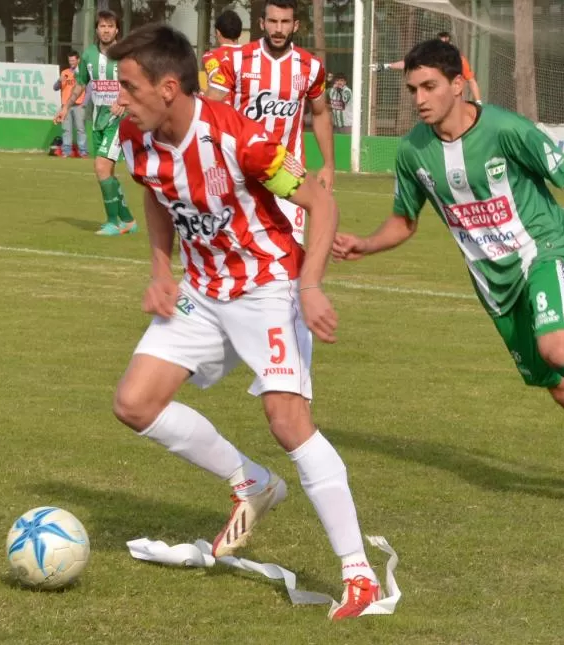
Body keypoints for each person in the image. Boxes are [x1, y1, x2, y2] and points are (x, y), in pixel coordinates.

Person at [109, 23, 382, 619]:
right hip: (204, 290)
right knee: (134, 403)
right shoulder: (137, 135)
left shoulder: (240, 139)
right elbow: (155, 193)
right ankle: (252, 482)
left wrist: (310, 286)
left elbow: (320, 202)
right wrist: (161, 267)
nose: (119, 98)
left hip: (268, 286)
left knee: (288, 421)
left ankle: (359, 574)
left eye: (129, 86)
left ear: (169, 87)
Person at [333, 39, 564, 506]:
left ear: (458, 85)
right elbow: (405, 220)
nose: (419, 98)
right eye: (413, 88)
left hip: (542, 247)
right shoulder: (413, 151)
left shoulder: (505, 129)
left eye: (430, 86)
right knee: (558, 388)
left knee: (557, 348)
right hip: (492, 280)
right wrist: (367, 243)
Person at [206, 0, 334, 245]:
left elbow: (320, 113)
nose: (278, 28)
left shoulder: (311, 67)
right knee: (239, 254)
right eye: (273, 21)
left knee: (292, 251)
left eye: (285, 22)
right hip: (241, 173)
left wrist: (328, 164)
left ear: (295, 25)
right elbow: (209, 108)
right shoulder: (237, 60)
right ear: (262, 23)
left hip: (289, 171)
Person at [54, 10, 136, 236]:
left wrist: (124, 100)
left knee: (100, 167)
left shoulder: (126, 54)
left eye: (110, 26)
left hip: (119, 120)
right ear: (97, 29)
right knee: (106, 171)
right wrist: (66, 106)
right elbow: (80, 84)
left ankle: (113, 222)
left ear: (117, 29)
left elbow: (136, 83)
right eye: (102, 26)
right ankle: (128, 220)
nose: (106, 30)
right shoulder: (89, 55)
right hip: (98, 119)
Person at [373, 31, 482, 105]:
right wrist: (386, 66)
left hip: (452, 104)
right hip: (433, 103)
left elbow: (471, 81)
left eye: (446, 43)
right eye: (440, 43)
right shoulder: (429, 58)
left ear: (450, 44)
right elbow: (407, 63)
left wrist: (478, 102)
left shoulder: (459, 60)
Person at [54, 51, 89, 158]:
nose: (71, 62)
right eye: (70, 60)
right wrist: (59, 81)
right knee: (66, 129)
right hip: (65, 106)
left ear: (78, 60)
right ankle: (66, 151)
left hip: (78, 105)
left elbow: (88, 89)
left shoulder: (83, 74)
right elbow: (55, 88)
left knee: (80, 129)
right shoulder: (64, 72)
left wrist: (84, 103)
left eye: (73, 60)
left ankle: (83, 152)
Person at [202, 9, 242, 88]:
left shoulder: (210, 56)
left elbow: (215, 85)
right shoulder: (251, 54)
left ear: (218, 32)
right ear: (239, 33)